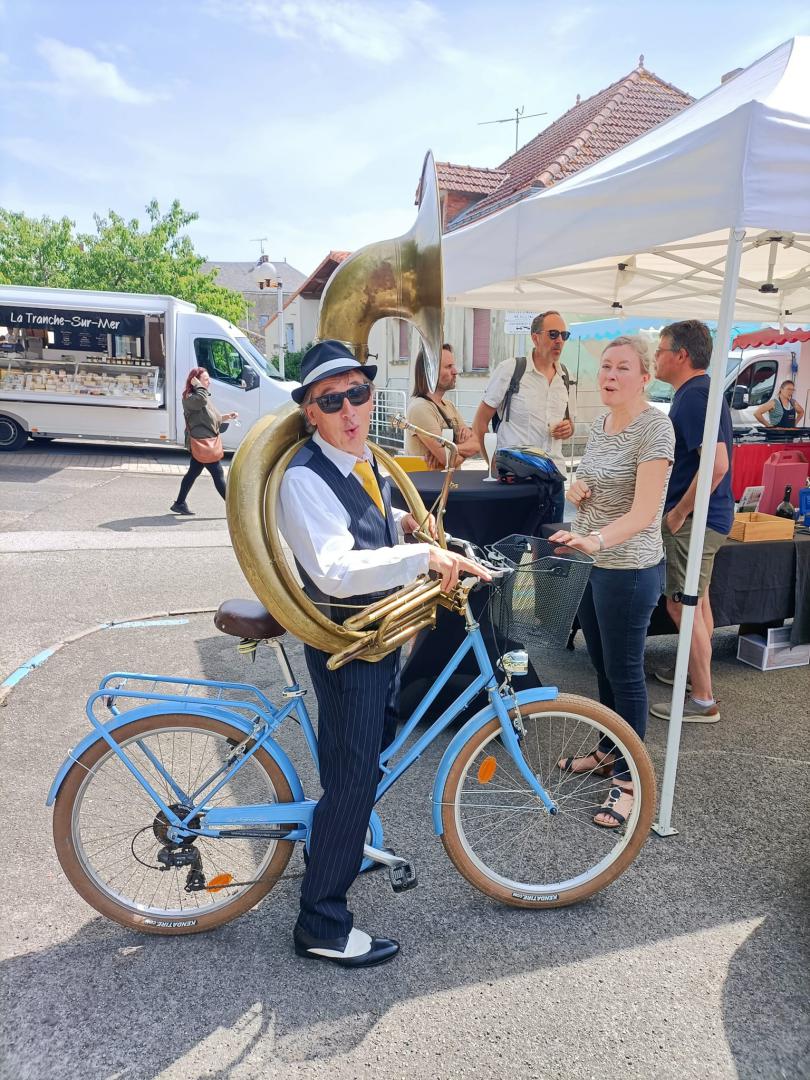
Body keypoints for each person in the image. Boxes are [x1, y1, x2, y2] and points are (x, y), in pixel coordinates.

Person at [278, 340, 490, 968]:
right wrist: (424, 556)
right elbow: (337, 569)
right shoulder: (303, 477)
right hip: (352, 640)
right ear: (310, 412)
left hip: (374, 638)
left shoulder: (354, 460)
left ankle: (334, 845)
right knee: (355, 779)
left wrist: (402, 524)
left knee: (361, 760)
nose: (350, 408)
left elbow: (364, 517)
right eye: (331, 400)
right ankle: (321, 923)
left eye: (359, 393)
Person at [549, 336, 674, 829]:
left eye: (623, 367)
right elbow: (591, 490)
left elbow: (646, 513)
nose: (611, 375)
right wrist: (575, 490)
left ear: (645, 377)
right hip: (590, 563)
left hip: (630, 570)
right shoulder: (600, 425)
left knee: (625, 675)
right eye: (605, 366)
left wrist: (598, 539)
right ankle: (608, 753)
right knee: (600, 667)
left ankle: (630, 783)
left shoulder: (655, 428)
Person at [648, 320, 734, 724]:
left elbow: (716, 464)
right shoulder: (701, 392)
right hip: (708, 519)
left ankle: (703, 698)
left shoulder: (694, 396)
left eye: (661, 350)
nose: (656, 357)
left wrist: (679, 512)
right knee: (697, 604)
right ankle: (693, 675)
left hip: (696, 521)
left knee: (681, 605)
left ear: (681, 354)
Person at [472, 310, 574, 523]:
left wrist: (568, 428)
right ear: (535, 337)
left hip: (554, 479)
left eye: (564, 335)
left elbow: (569, 422)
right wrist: (492, 467)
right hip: (515, 479)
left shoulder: (566, 376)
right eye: (553, 334)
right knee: (513, 548)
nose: (559, 341)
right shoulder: (511, 369)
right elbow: (480, 423)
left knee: (549, 549)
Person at [170, 367, 238, 515]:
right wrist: (199, 386)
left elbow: (214, 417)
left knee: (193, 473)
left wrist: (227, 416)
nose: (209, 382)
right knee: (218, 473)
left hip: (205, 442)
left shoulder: (202, 396)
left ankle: (179, 503)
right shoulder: (190, 398)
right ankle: (235, 509)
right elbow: (201, 400)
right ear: (195, 381)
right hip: (203, 443)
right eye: (206, 380)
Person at [404, 344, 479, 468]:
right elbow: (449, 460)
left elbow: (477, 443)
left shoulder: (449, 406)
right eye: (449, 367)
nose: (455, 371)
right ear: (430, 371)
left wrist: (453, 448)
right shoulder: (420, 408)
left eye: (453, 366)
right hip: (430, 486)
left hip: (450, 484)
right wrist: (460, 447)